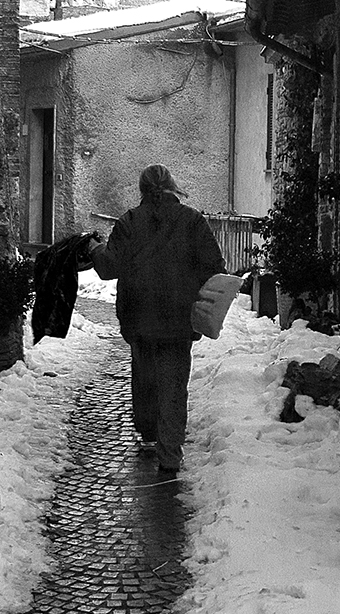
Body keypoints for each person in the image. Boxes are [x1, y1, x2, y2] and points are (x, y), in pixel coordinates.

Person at [88, 164, 225, 474]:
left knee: (146, 380)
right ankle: (170, 454)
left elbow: (109, 266)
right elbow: (214, 266)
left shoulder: (130, 222)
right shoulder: (192, 221)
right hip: (178, 319)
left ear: (142, 189)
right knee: (174, 386)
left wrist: (95, 248)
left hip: (139, 317)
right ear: (171, 186)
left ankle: (149, 433)